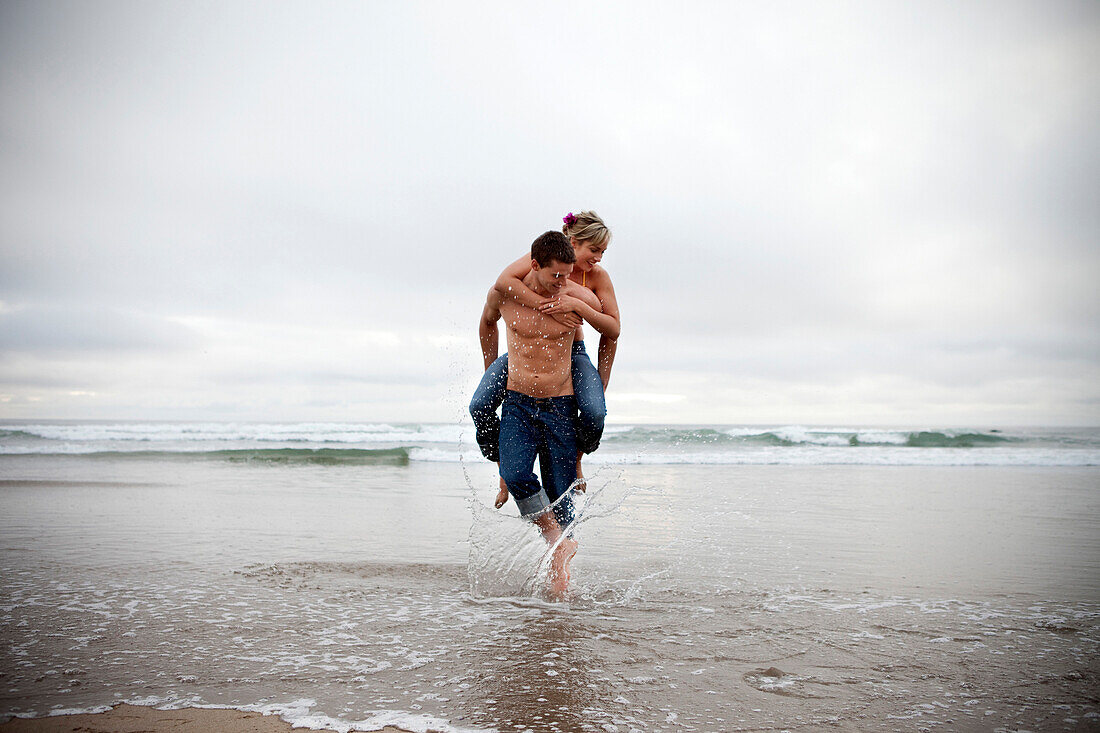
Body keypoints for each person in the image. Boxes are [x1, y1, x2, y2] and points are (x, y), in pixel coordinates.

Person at [474, 231, 604, 598]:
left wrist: (581, 308)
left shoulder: (572, 296)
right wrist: (490, 371)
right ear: (534, 266)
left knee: (561, 495)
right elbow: (486, 322)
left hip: (560, 406)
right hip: (517, 401)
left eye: (568, 276)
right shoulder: (505, 293)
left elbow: (608, 324)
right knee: (515, 474)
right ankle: (554, 539)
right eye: (556, 276)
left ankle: (561, 588)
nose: (563, 283)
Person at [470, 211, 620, 510]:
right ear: (573, 242)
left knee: (594, 410)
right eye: (594, 250)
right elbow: (503, 284)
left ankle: (576, 459)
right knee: (480, 404)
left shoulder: (596, 278)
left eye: (603, 251)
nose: (599, 258)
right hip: (522, 354)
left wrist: (602, 380)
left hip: (572, 354)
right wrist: (493, 369)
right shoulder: (540, 260)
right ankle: (503, 466)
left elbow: (612, 329)